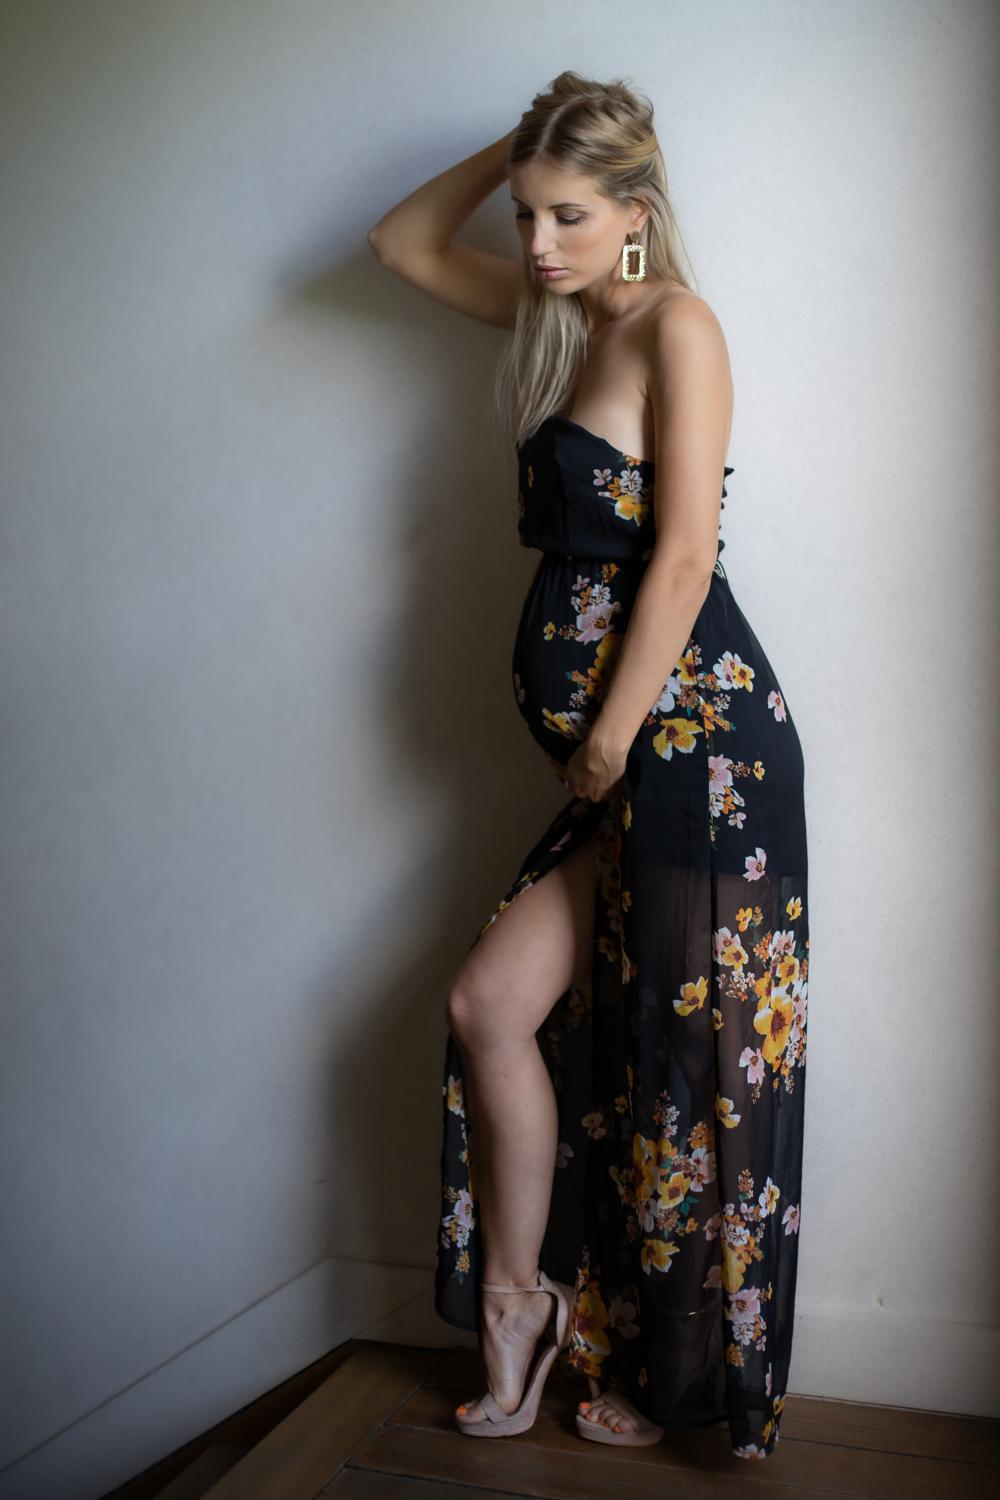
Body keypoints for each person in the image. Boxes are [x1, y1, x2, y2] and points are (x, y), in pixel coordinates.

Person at [368, 70, 809, 1461]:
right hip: (626, 759)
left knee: (684, 1069)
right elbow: (401, 246)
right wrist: (518, 140)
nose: (537, 241)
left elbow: (682, 556)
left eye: (567, 214)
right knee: (493, 1006)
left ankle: (680, 1381)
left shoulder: (679, 325)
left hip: (699, 750)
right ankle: (524, 1307)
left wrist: (608, 737)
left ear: (635, 211)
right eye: (525, 213)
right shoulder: (561, 312)